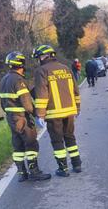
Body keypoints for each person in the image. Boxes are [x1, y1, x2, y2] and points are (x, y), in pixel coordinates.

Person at [0, 51, 51, 182]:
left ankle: (22, 173)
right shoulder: (18, 80)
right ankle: (34, 172)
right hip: (22, 118)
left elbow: (2, 103)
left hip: (11, 118)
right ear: (21, 63)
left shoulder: (4, 80)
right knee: (31, 143)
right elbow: (27, 103)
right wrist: (37, 115)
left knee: (18, 146)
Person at [32, 45, 82, 177]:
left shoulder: (41, 71)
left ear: (44, 56)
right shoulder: (66, 68)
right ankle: (77, 165)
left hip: (54, 114)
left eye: (38, 57)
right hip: (70, 111)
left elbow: (42, 95)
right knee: (70, 137)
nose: (38, 60)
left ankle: (63, 169)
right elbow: (76, 90)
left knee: (57, 140)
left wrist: (40, 114)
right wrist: (77, 108)